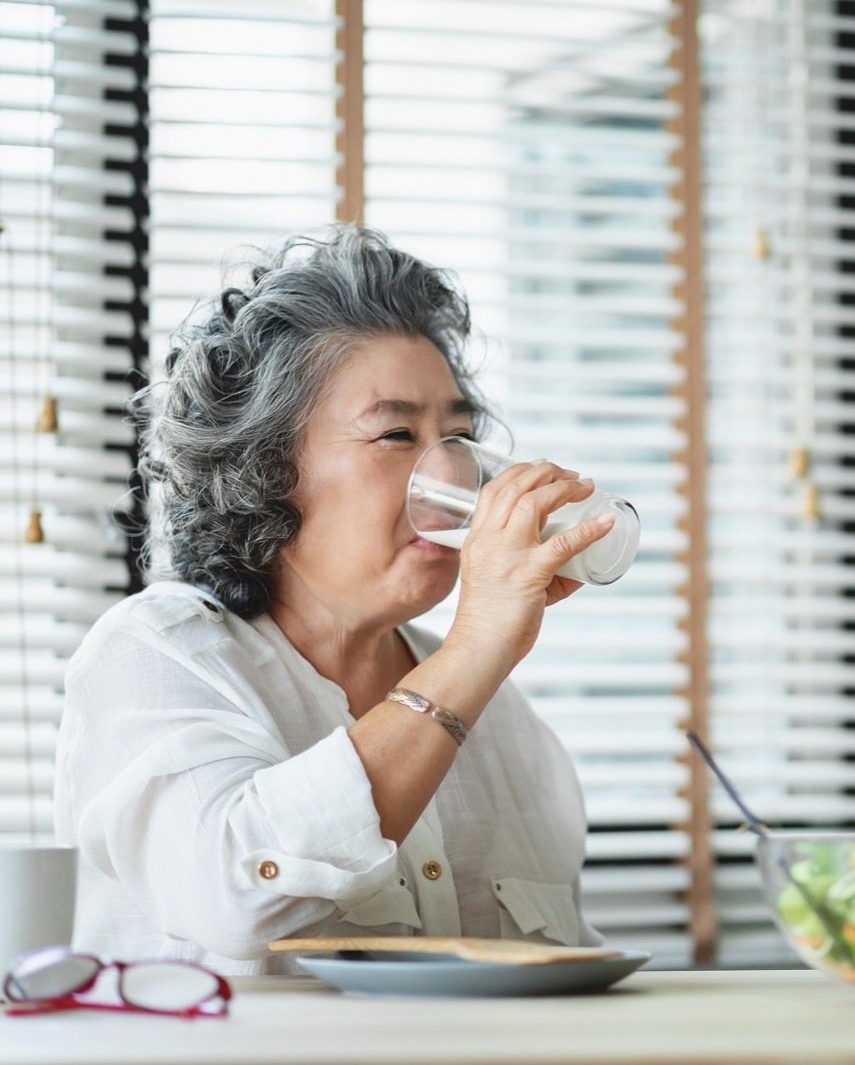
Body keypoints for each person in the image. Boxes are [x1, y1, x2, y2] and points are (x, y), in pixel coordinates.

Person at [55, 226, 614, 974]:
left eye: (457, 434)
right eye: (394, 433)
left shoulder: (505, 722)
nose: (451, 474)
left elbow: (563, 981)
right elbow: (237, 895)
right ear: (263, 468)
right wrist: (478, 645)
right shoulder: (155, 654)